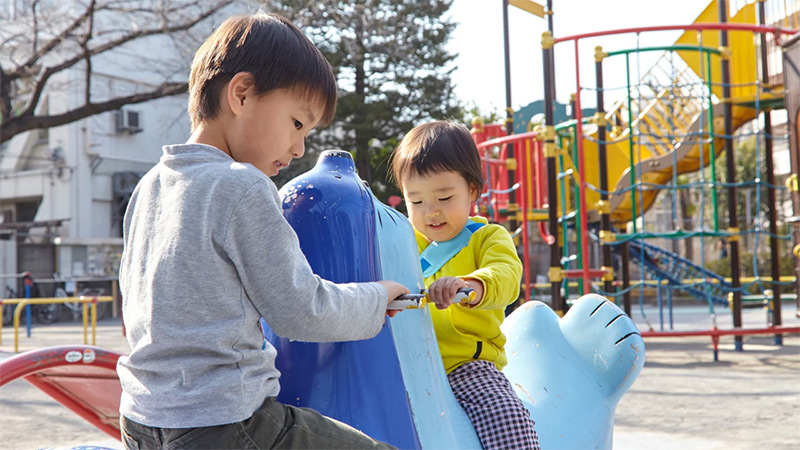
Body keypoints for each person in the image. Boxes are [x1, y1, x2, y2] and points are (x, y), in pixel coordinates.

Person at [116, 13, 408, 450]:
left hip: (139, 420)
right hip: (226, 423)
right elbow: (300, 310)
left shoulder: (150, 186)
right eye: (296, 122)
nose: (300, 148)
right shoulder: (242, 185)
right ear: (242, 93)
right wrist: (378, 296)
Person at [391, 121, 540, 450]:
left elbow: (505, 275)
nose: (430, 211)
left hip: (465, 366)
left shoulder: (487, 238)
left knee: (507, 419)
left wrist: (471, 285)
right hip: (403, 363)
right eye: (415, 201)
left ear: (473, 190)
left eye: (444, 197)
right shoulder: (399, 243)